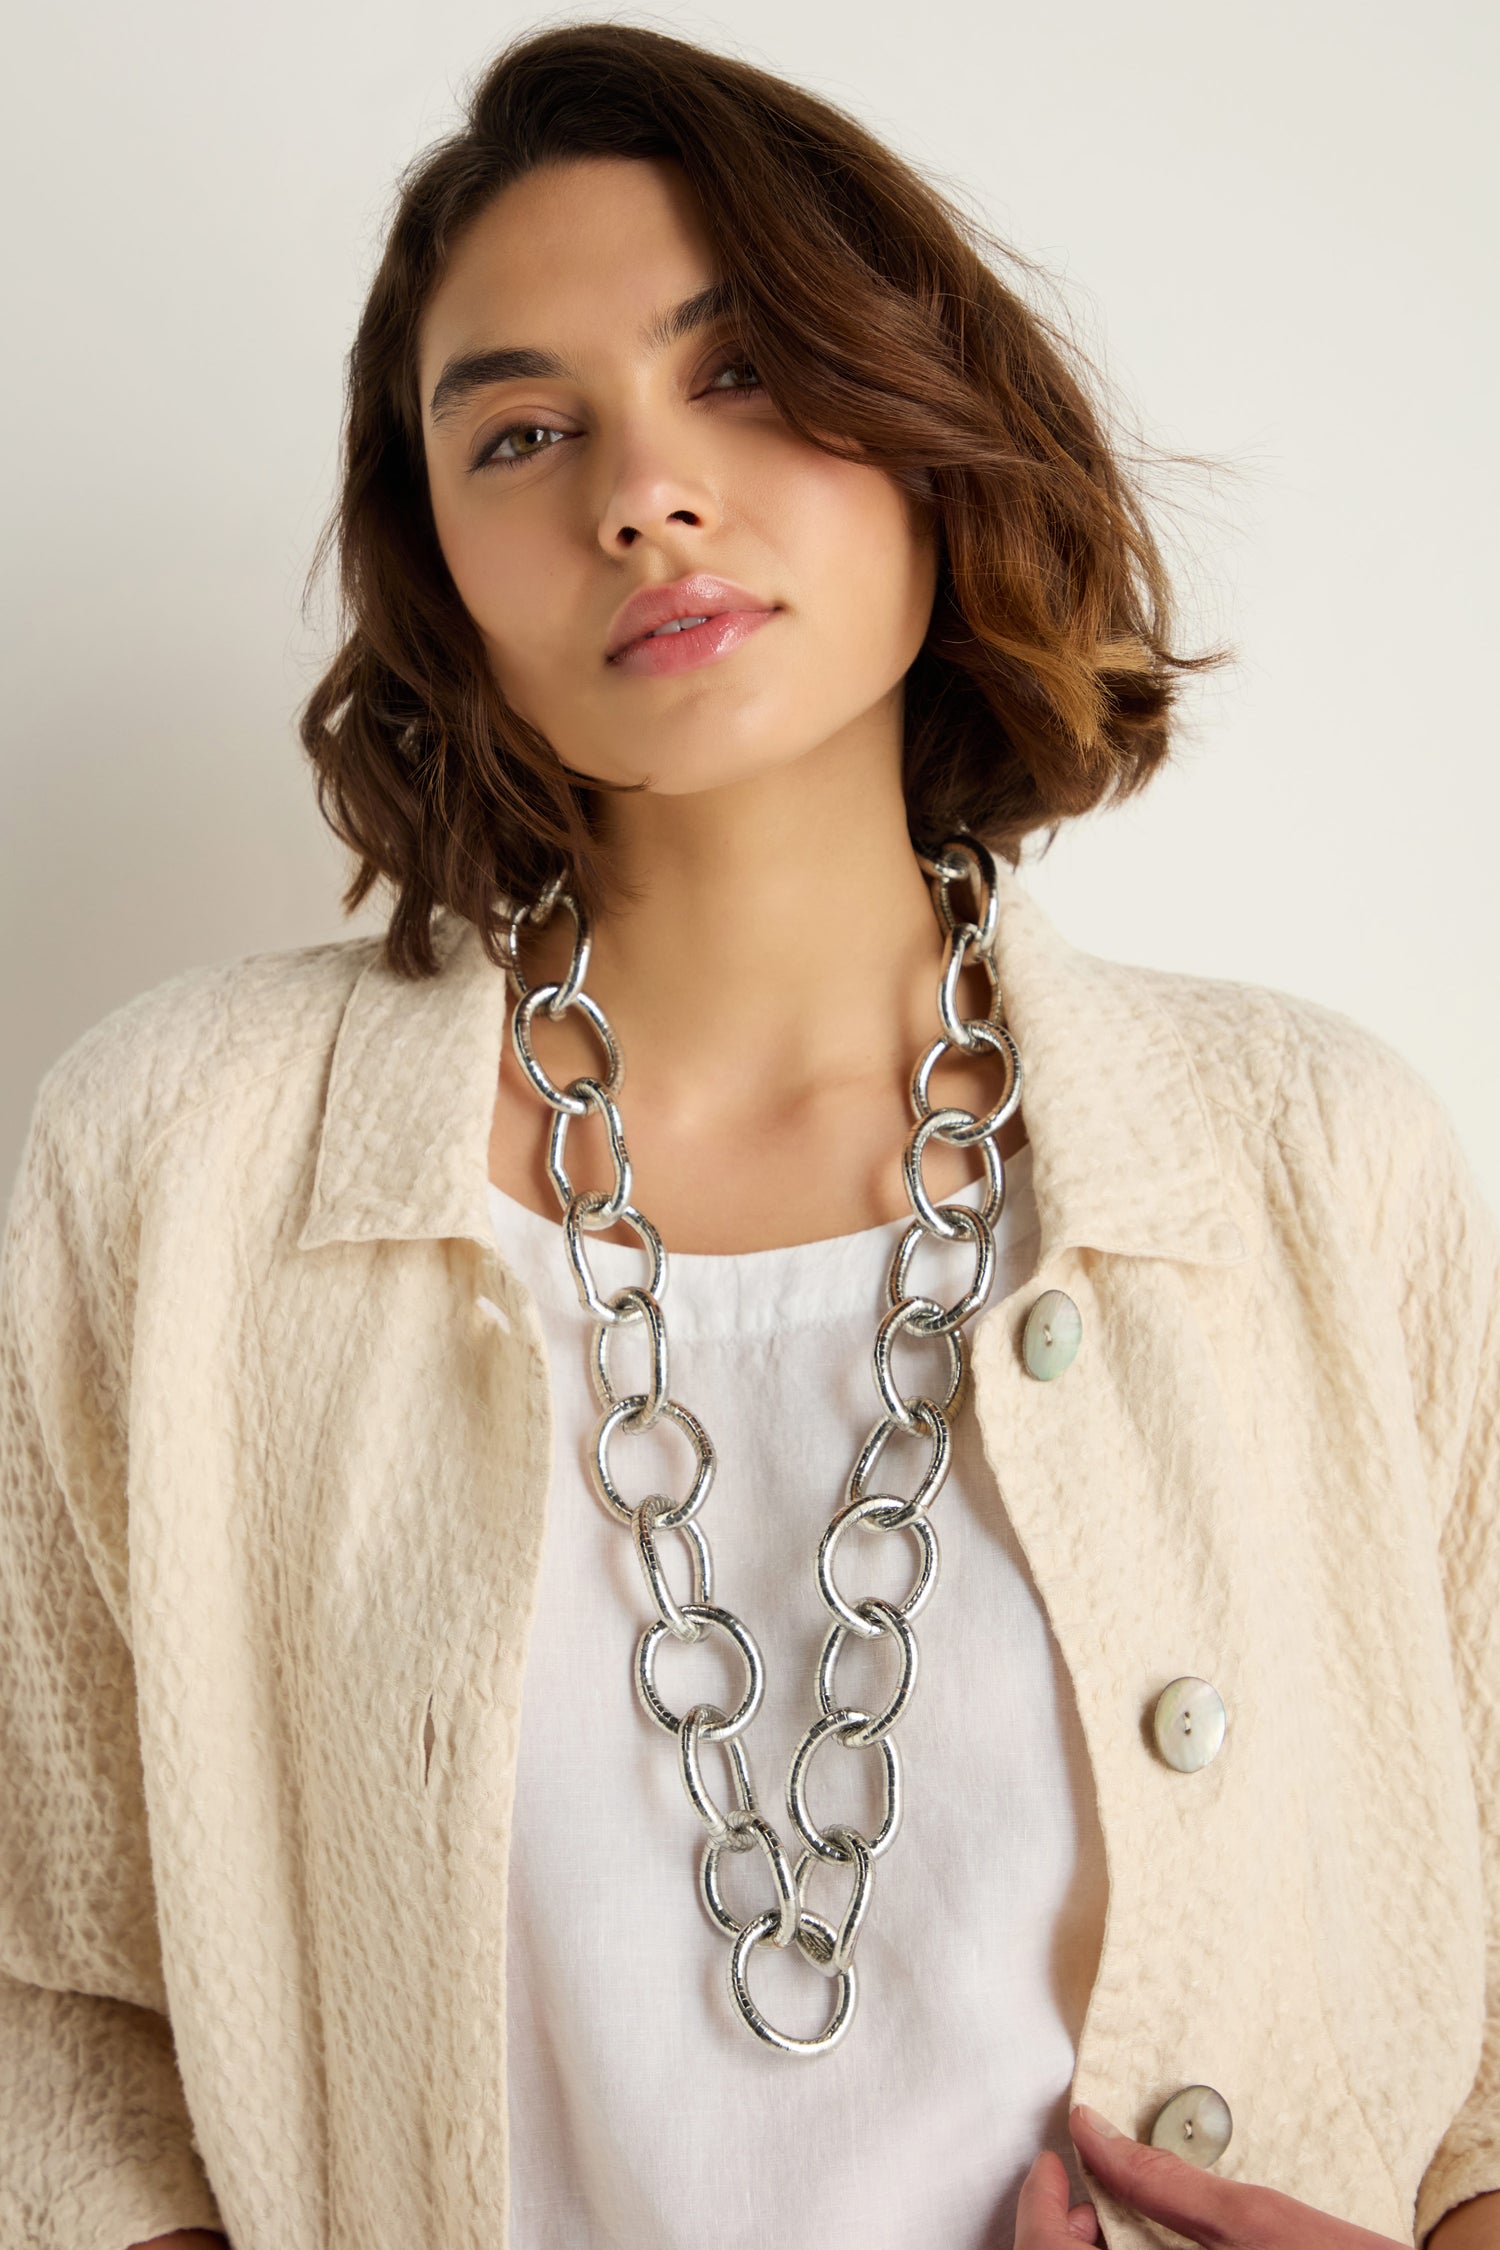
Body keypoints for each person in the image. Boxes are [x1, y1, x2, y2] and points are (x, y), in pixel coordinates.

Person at [0, 20, 1495, 2250]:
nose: (640, 492)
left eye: (743, 373)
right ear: (441, 564)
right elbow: (54, 2000)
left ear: (924, 422)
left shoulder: (1308, 1162)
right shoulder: (180, 1164)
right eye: (522, 431)